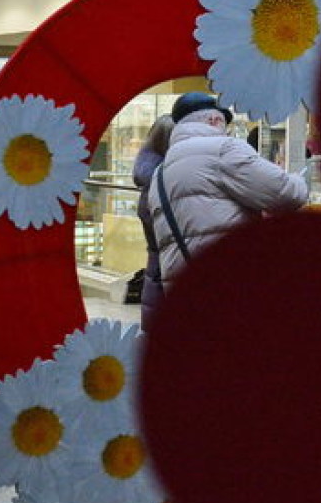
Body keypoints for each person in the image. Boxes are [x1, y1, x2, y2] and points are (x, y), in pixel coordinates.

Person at [147, 91, 308, 288]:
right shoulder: (223, 148)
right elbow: (286, 194)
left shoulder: (160, 173)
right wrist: (300, 179)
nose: (227, 131)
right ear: (214, 120)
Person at [131, 114, 174, 330]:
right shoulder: (166, 177)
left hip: (154, 250)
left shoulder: (148, 172)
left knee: (153, 276)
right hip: (167, 256)